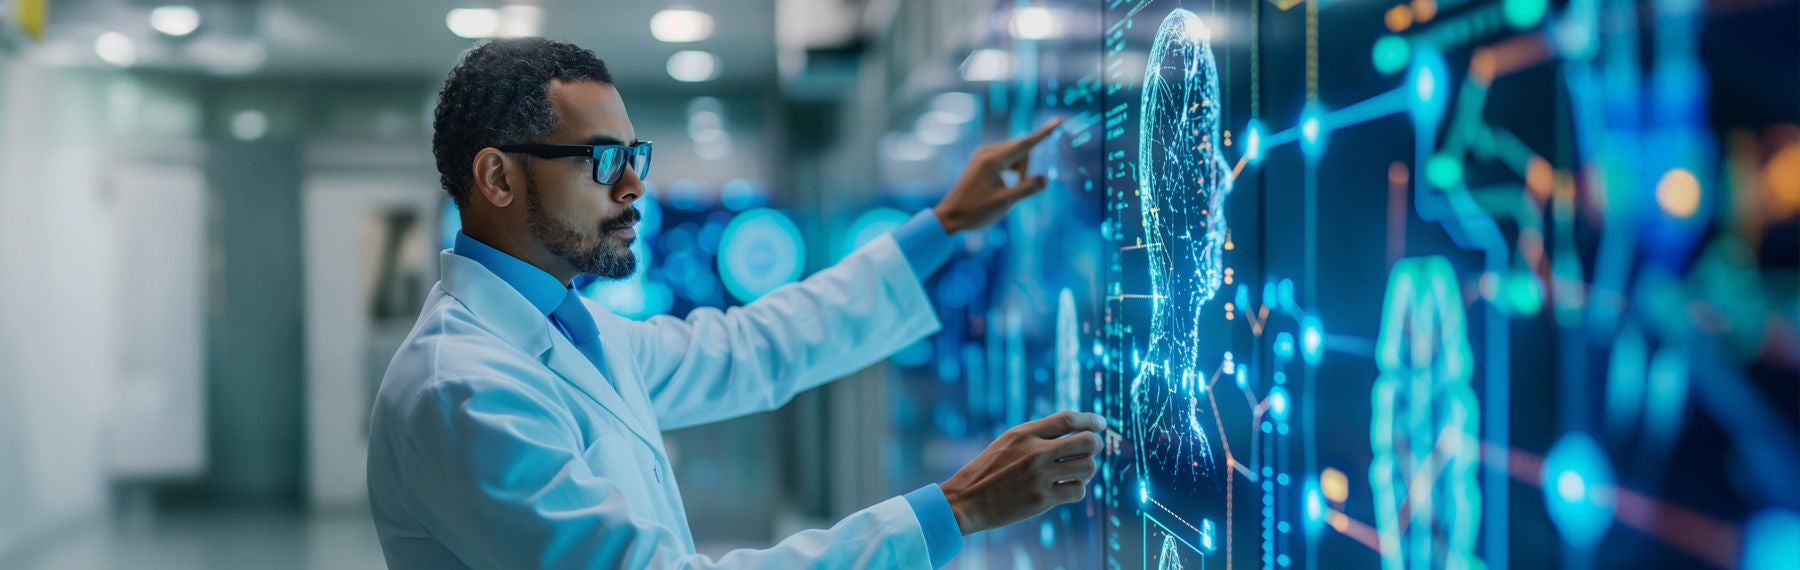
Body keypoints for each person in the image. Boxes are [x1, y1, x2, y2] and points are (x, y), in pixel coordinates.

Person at [366, 37, 1103, 569]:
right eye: (602, 160)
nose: (633, 186)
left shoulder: (570, 330)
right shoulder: (461, 389)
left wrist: (942, 227)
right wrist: (954, 509)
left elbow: (755, 347)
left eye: (635, 156)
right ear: (496, 177)